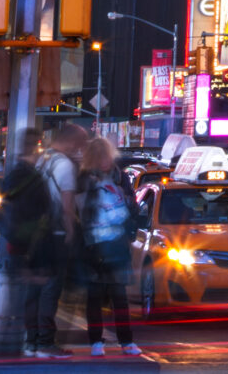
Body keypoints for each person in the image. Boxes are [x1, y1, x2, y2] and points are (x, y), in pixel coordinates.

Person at [0, 131, 68, 359]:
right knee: (42, 292)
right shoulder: (32, 176)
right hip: (34, 244)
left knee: (29, 294)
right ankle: (42, 343)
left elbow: (6, 208)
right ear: (37, 146)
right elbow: (40, 211)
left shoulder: (14, 174)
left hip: (17, 242)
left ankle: (29, 342)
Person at [76, 137, 140, 358]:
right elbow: (81, 211)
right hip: (93, 244)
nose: (105, 160)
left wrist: (127, 204)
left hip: (117, 244)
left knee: (119, 295)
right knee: (95, 295)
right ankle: (96, 341)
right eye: (101, 156)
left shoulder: (119, 177)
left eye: (107, 155)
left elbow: (132, 205)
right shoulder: (85, 180)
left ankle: (126, 341)